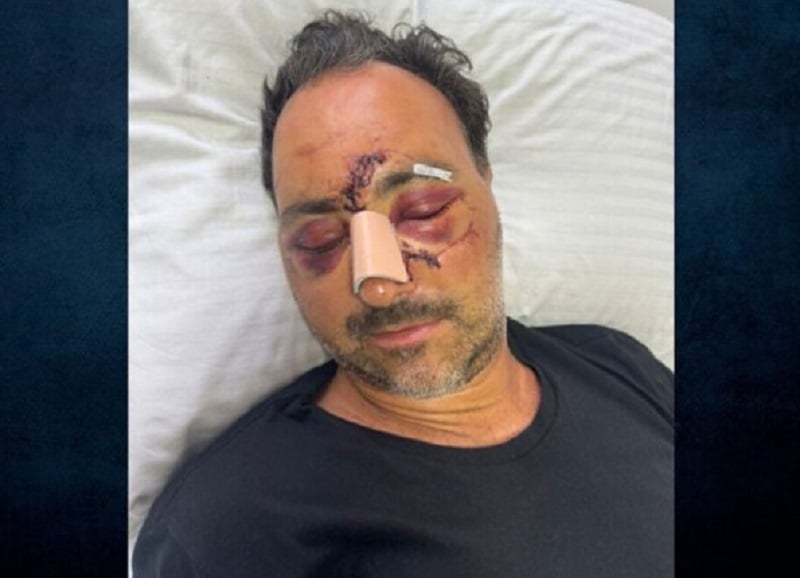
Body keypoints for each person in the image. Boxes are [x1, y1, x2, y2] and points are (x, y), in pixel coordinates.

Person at [133, 10, 673, 577]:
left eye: (422, 211)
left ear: (487, 185)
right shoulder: (226, 532)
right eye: (319, 240)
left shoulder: (620, 366)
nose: (379, 284)